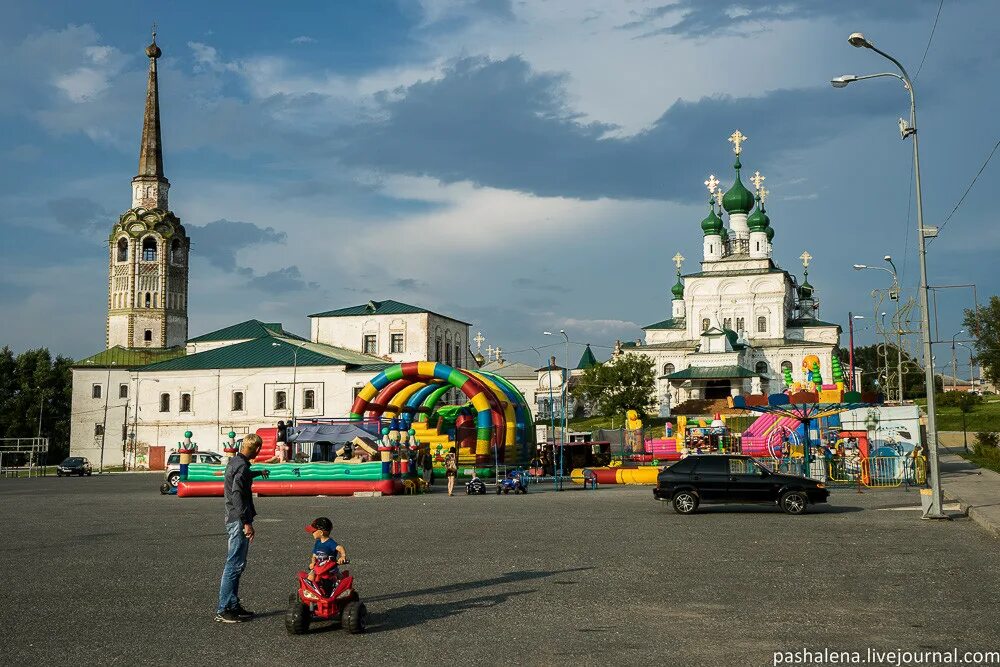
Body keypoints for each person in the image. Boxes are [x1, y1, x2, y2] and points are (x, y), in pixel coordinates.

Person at [215, 433, 269, 623]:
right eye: (258, 449)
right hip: (238, 520)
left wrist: (257, 473)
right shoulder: (243, 466)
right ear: (255, 448)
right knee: (234, 564)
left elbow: (240, 478)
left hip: (233, 518)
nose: (259, 452)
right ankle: (224, 609)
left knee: (237, 564)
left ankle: (232, 604)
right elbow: (237, 493)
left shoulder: (236, 462)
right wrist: (246, 522)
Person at [305, 517, 347, 582]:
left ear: (321, 532)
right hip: (318, 566)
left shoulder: (330, 543)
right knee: (310, 577)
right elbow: (314, 556)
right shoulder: (317, 543)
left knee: (340, 579)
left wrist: (343, 557)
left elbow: (340, 548)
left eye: (313, 531)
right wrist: (313, 563)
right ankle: (311, 591)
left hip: (330, 567)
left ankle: (344, 590)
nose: (312, 533)